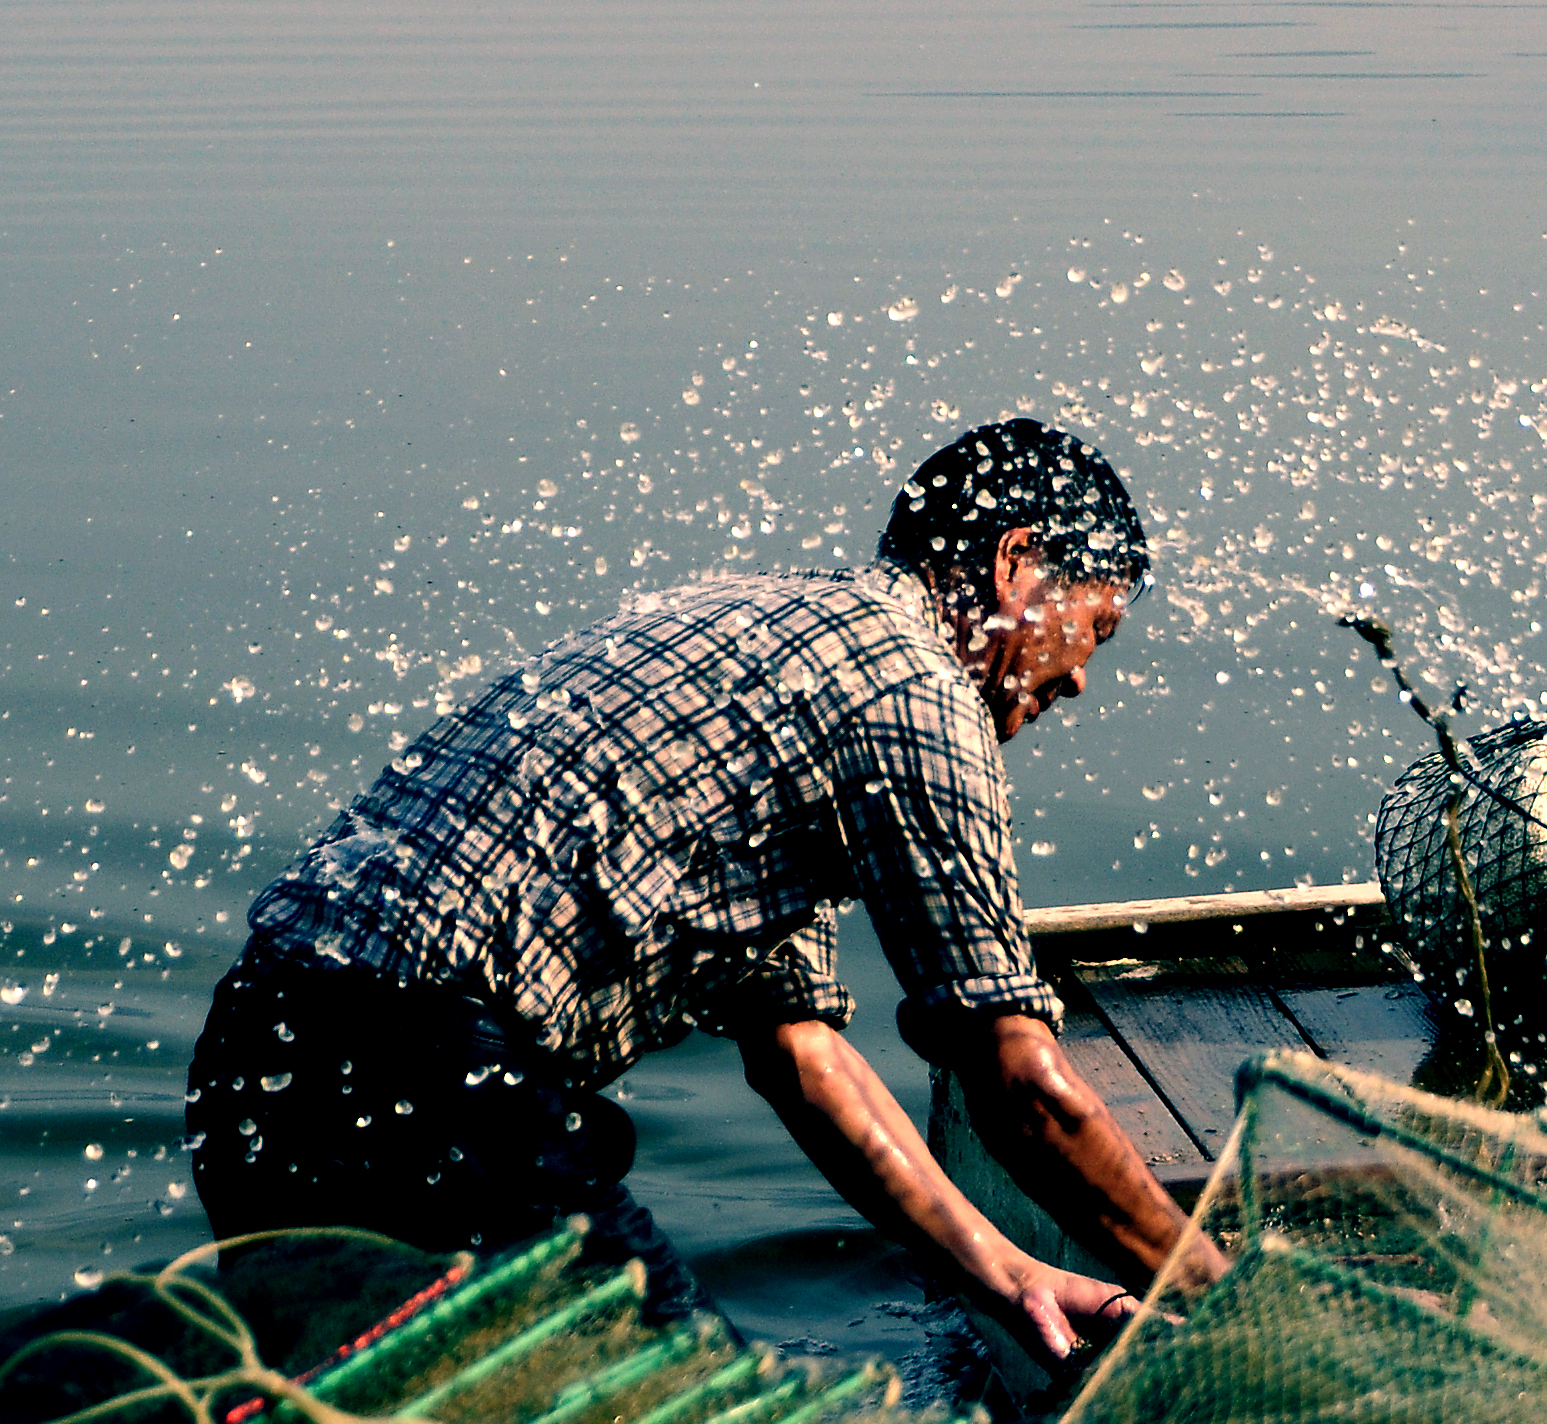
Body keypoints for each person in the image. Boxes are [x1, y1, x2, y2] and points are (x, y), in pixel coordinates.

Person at [187, 419, 1214, 1364]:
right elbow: (1018, 1080)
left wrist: (1006, 1268)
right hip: (435, 1078)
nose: (1079, 677)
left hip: (258, 1060)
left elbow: (800, 1050)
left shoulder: (763, 634)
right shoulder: (915, 687)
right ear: (1015, 565)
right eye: (1097, 628)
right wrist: (1229, 1295)